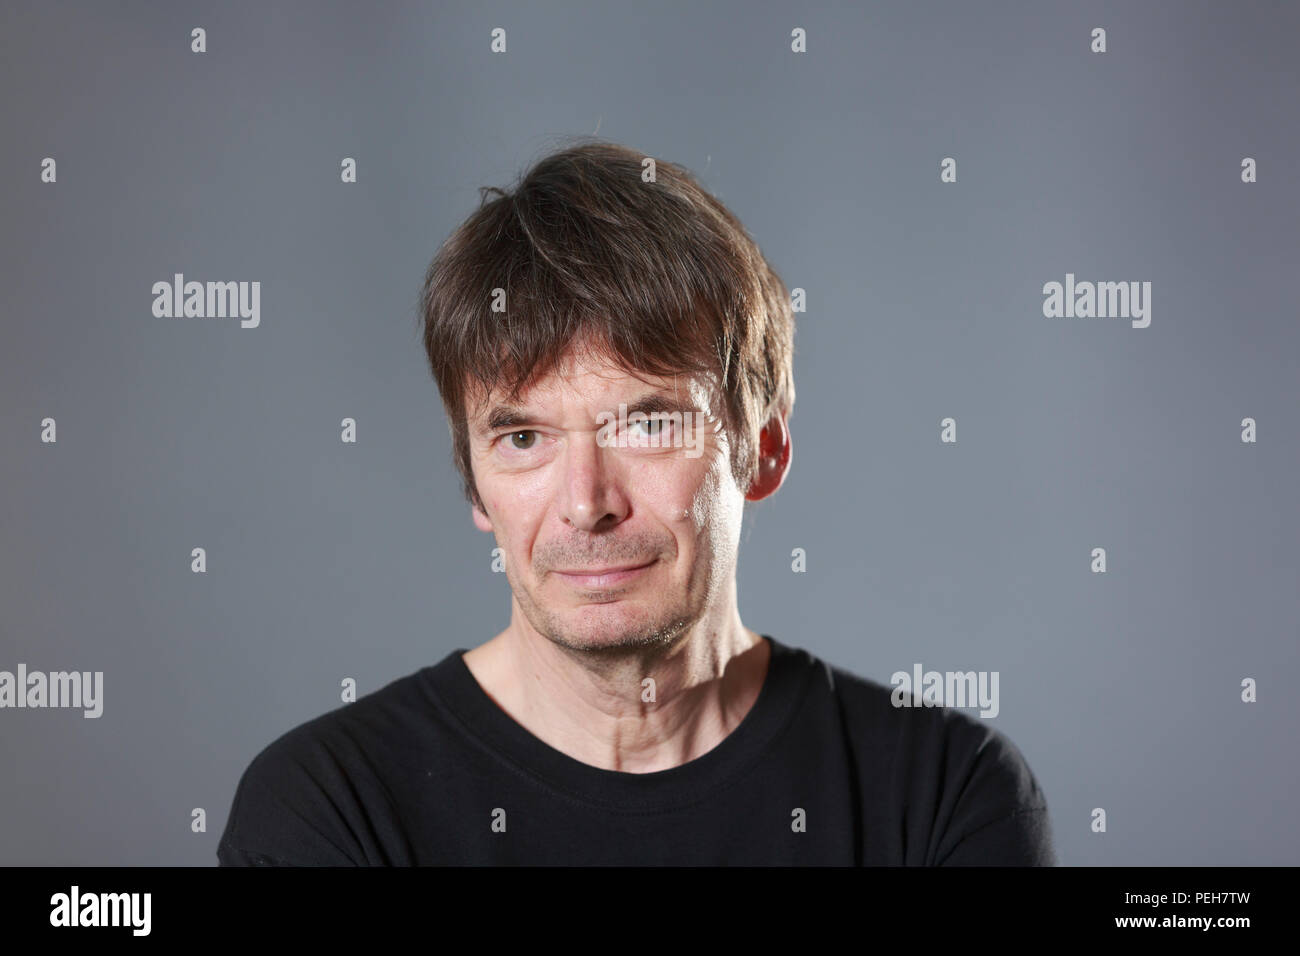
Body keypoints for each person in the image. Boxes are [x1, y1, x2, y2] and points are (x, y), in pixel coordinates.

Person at [217, 140, 1057, 866]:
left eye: (648, 424)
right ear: (475, 484)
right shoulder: (329, 811)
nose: (586, 504)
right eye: (523, 439)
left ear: (762, 448)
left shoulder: (943, 794)